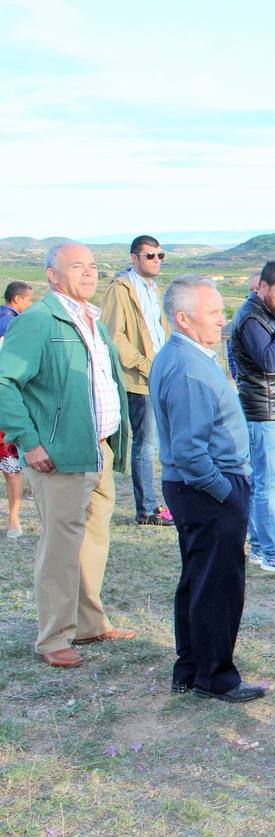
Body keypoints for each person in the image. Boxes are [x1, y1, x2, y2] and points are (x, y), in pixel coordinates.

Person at [0, 243, 134, 668]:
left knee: (93, 541)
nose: (89, 273)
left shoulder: (91, 320)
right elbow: (4, 382)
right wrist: (29, 440)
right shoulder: (40, 321)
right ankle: (53, 638)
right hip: (58, 456)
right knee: (60, 548)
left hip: (97, 450)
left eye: (93, 266)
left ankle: (90, 623)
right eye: (77, 266)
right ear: (52, 276)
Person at [149, 276, 263, 703]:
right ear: (184, 318)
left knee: (198, 580)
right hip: (208, 490)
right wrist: (226, 493)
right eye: (214, 312)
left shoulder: (181, 356)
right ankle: (214, 676)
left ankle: (193, 667)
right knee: (217, 586)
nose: (223, 320)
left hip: (200, 488)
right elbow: (191, 452)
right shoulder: (189, 369)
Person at [229, 259, 275, 574]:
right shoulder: (252, 319)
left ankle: (260, 547)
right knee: (268, 486)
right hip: (263, 412)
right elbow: (271, 361)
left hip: (274, 410)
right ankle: (273, 551)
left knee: (263, 484)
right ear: (262, 287)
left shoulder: (265, 315)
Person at [101, 235, 175, 527]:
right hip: (141, 379)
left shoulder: (153, 289)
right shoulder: (121, 290)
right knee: (146, 445)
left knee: (159, 444)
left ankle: (158, 504)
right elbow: (113, 335)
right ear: (134, 258)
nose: (156, 260)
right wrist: (145, 365)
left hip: (161, 375)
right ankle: (146, 509)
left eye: (160, 255)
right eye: (150, 256)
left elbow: (159, 331)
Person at [0, 281, 34, 538]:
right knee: (12, 468)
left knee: (12, 467)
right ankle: (13, 520)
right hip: (5, 406)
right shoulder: (12, 325)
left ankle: (13, 520)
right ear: (17, 299)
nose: (30, 305)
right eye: (29, 300)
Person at [225, 273, 261, 380]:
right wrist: (237, 376)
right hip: (249, 384)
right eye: (251, 289)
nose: (254, 293)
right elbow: (232, 349)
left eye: (258, 289)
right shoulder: (241, 317)